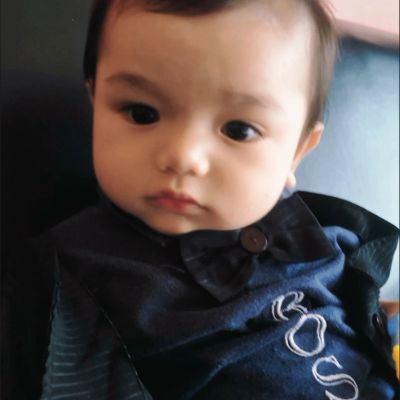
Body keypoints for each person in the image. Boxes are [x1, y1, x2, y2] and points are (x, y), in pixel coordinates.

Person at [3, 0, 399, 399]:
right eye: (142, 113)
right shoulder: (56, 278)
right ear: (95, 102)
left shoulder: (328, 233)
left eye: (239, 130)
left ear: (296, 152)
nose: (183, 156)